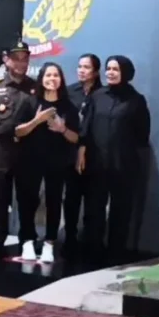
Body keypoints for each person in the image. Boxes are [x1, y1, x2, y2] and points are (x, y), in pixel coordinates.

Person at [77, 55, 150, 266]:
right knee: (94, 209)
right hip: (97, 163)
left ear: (125, 73)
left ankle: (116, 253)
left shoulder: (136, 100)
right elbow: (86, 128)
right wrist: (82, 152)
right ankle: (93, 251)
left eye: (115, 69)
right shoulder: (97, 96)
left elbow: (142, 134)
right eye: (108, 69)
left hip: (124, 165)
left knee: (121, 211)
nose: (110, 73)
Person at [16, 62, 80, 263]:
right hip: (30, 159)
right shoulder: (29, 102)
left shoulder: (68, 106)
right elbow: (17, 131)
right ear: (41, 78)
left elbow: (76, 138)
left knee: (54, 201)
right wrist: (37, 120)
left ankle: (49, 242)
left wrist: (62, 129)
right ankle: (27, 240)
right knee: (28, 200)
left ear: (61, 79)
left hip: (57, 160)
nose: (52, 79)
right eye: (48, 75)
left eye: (56, 75)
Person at [0, 41, 37, 256]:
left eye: (25, 59)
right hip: (0, 146)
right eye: (16, 59)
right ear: (7, 60)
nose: (21, 63)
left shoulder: (35, 87)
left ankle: (28, 238)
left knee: (27, 196)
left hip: (27, 148)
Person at [63, 54, 102, 257]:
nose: (81, 70)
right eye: (79, 66)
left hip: (94, 155)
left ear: (96, 71)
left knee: (93, 203)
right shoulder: (70, 92)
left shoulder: (103, 94)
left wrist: (85, 146)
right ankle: (69, 239)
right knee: (71, 199)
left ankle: (90, 243)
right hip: (70, 153)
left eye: (86, 67)